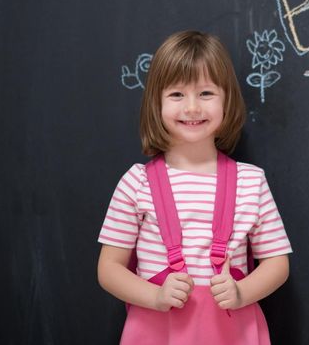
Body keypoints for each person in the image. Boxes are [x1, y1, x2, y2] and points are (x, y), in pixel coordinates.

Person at [97, 30, 292, 344]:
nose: (192, 108)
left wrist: (242, 293)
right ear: (156, 103)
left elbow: (277, 263)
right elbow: (109, 268)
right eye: (176, 95)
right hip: (157, 330)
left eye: (206, 93)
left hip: (232, 331)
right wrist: (156, 295)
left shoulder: (251, 181)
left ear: (226, 100)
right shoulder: (136, 182)